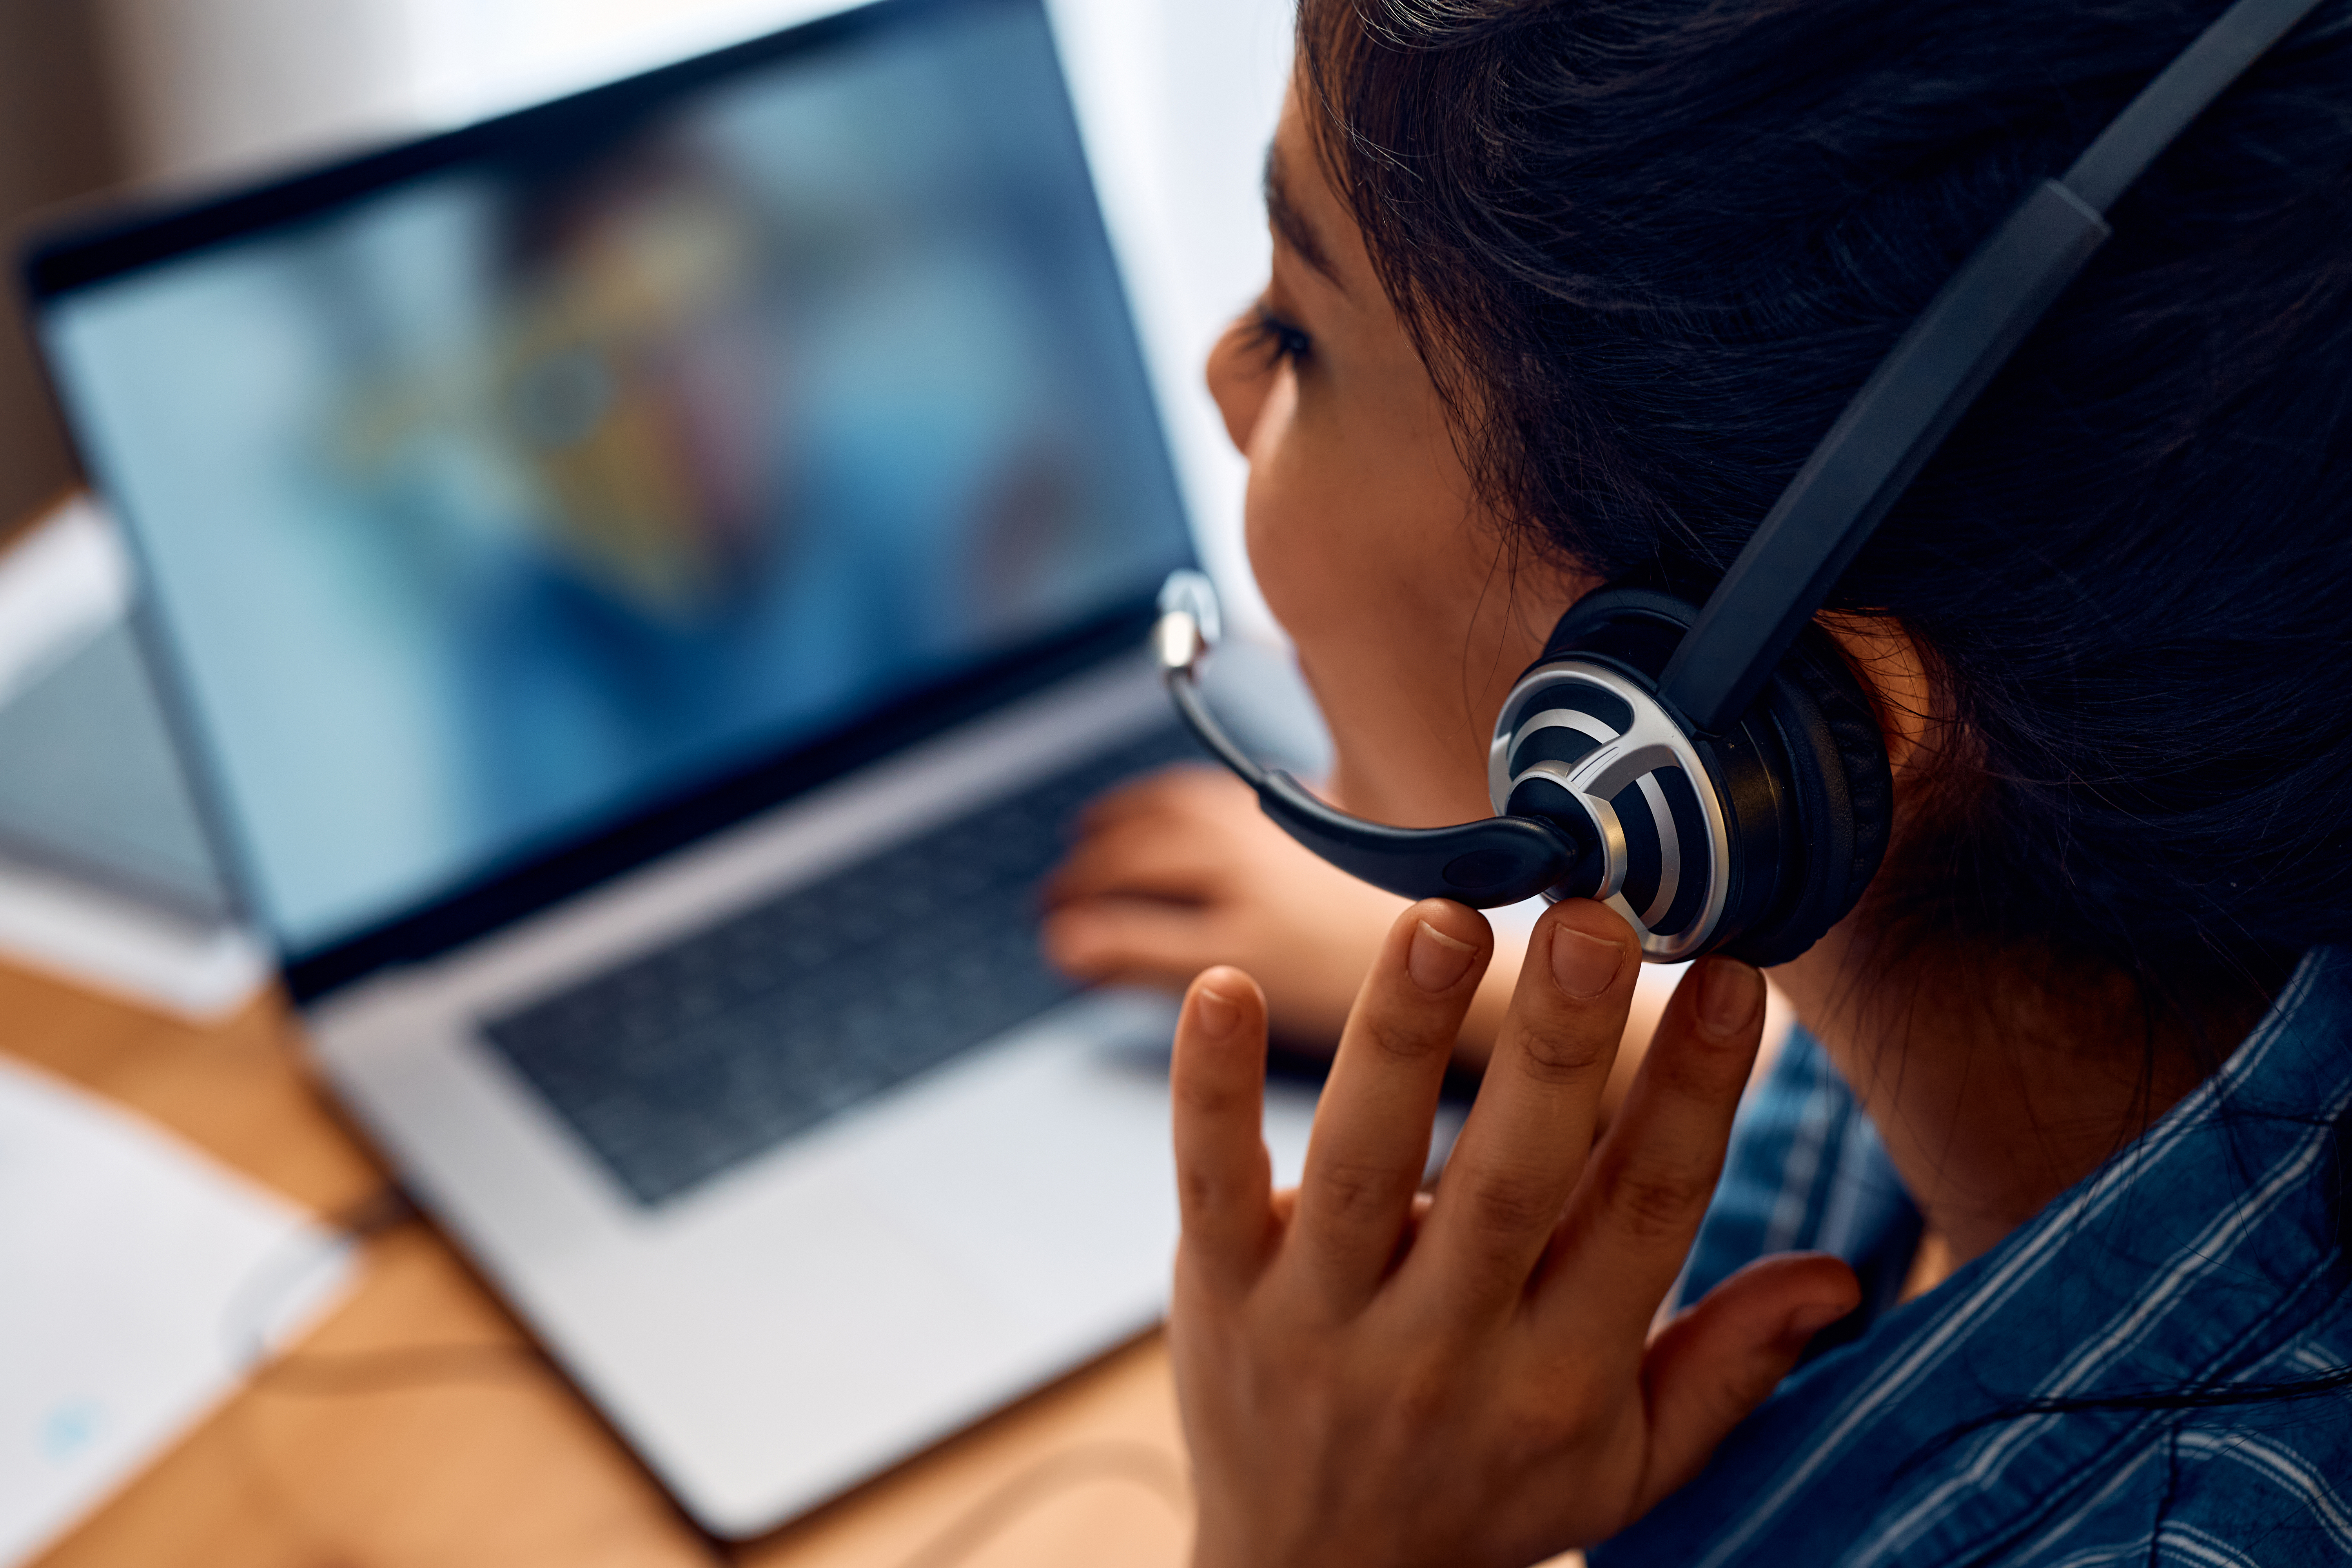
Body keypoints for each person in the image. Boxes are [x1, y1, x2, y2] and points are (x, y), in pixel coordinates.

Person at [1039, 0, 2352, 1561]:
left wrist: (1300, 1531)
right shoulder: (2122, 899)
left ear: (1771, 719)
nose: (1221, 382)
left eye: (1300, 333)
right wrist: (1520, 996)